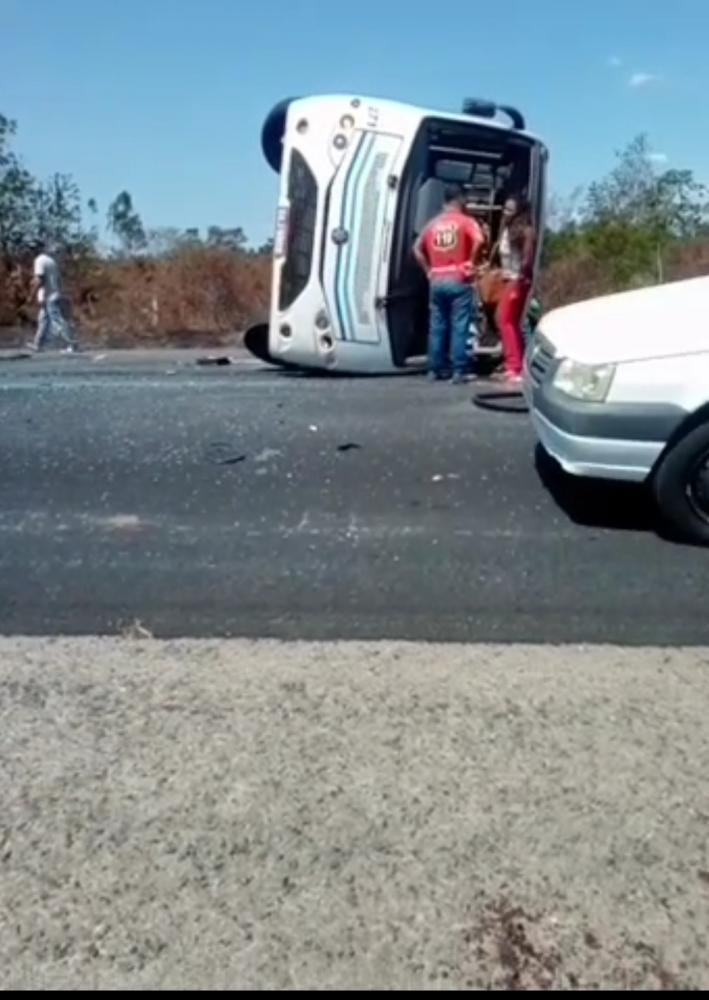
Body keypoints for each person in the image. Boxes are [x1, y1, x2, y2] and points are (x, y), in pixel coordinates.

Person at [413, 185, 484, 384]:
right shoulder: (466, 222)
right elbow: (479, 240)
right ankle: (459, 370)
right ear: (460, 199)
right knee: (459, 325)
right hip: (459, 279)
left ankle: (435, 369)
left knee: (437, 326)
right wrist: (471, 261)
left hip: (436, 280)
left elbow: (417, 248)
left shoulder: (432, 224)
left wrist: (428, 270)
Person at [495, 197, 536, 385]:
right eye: (505, 209)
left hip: (517, 280)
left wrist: (521, 277)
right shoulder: (507, 230)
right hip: (508, 278)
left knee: (505, 320)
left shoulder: (525, 231)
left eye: (510, 210)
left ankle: (515, 366)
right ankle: (513, 363)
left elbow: (527, 259)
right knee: (508, 321)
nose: (506, 213)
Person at [29, 243, 79, 353]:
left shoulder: (39, 260)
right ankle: (38, 344)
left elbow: (40, 280)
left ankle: (72, 343)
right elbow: (58, 280)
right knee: (43, 320)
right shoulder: (51, 261)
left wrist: (31, 295)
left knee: (57, 321)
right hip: (53, 294)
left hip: (49, 296)